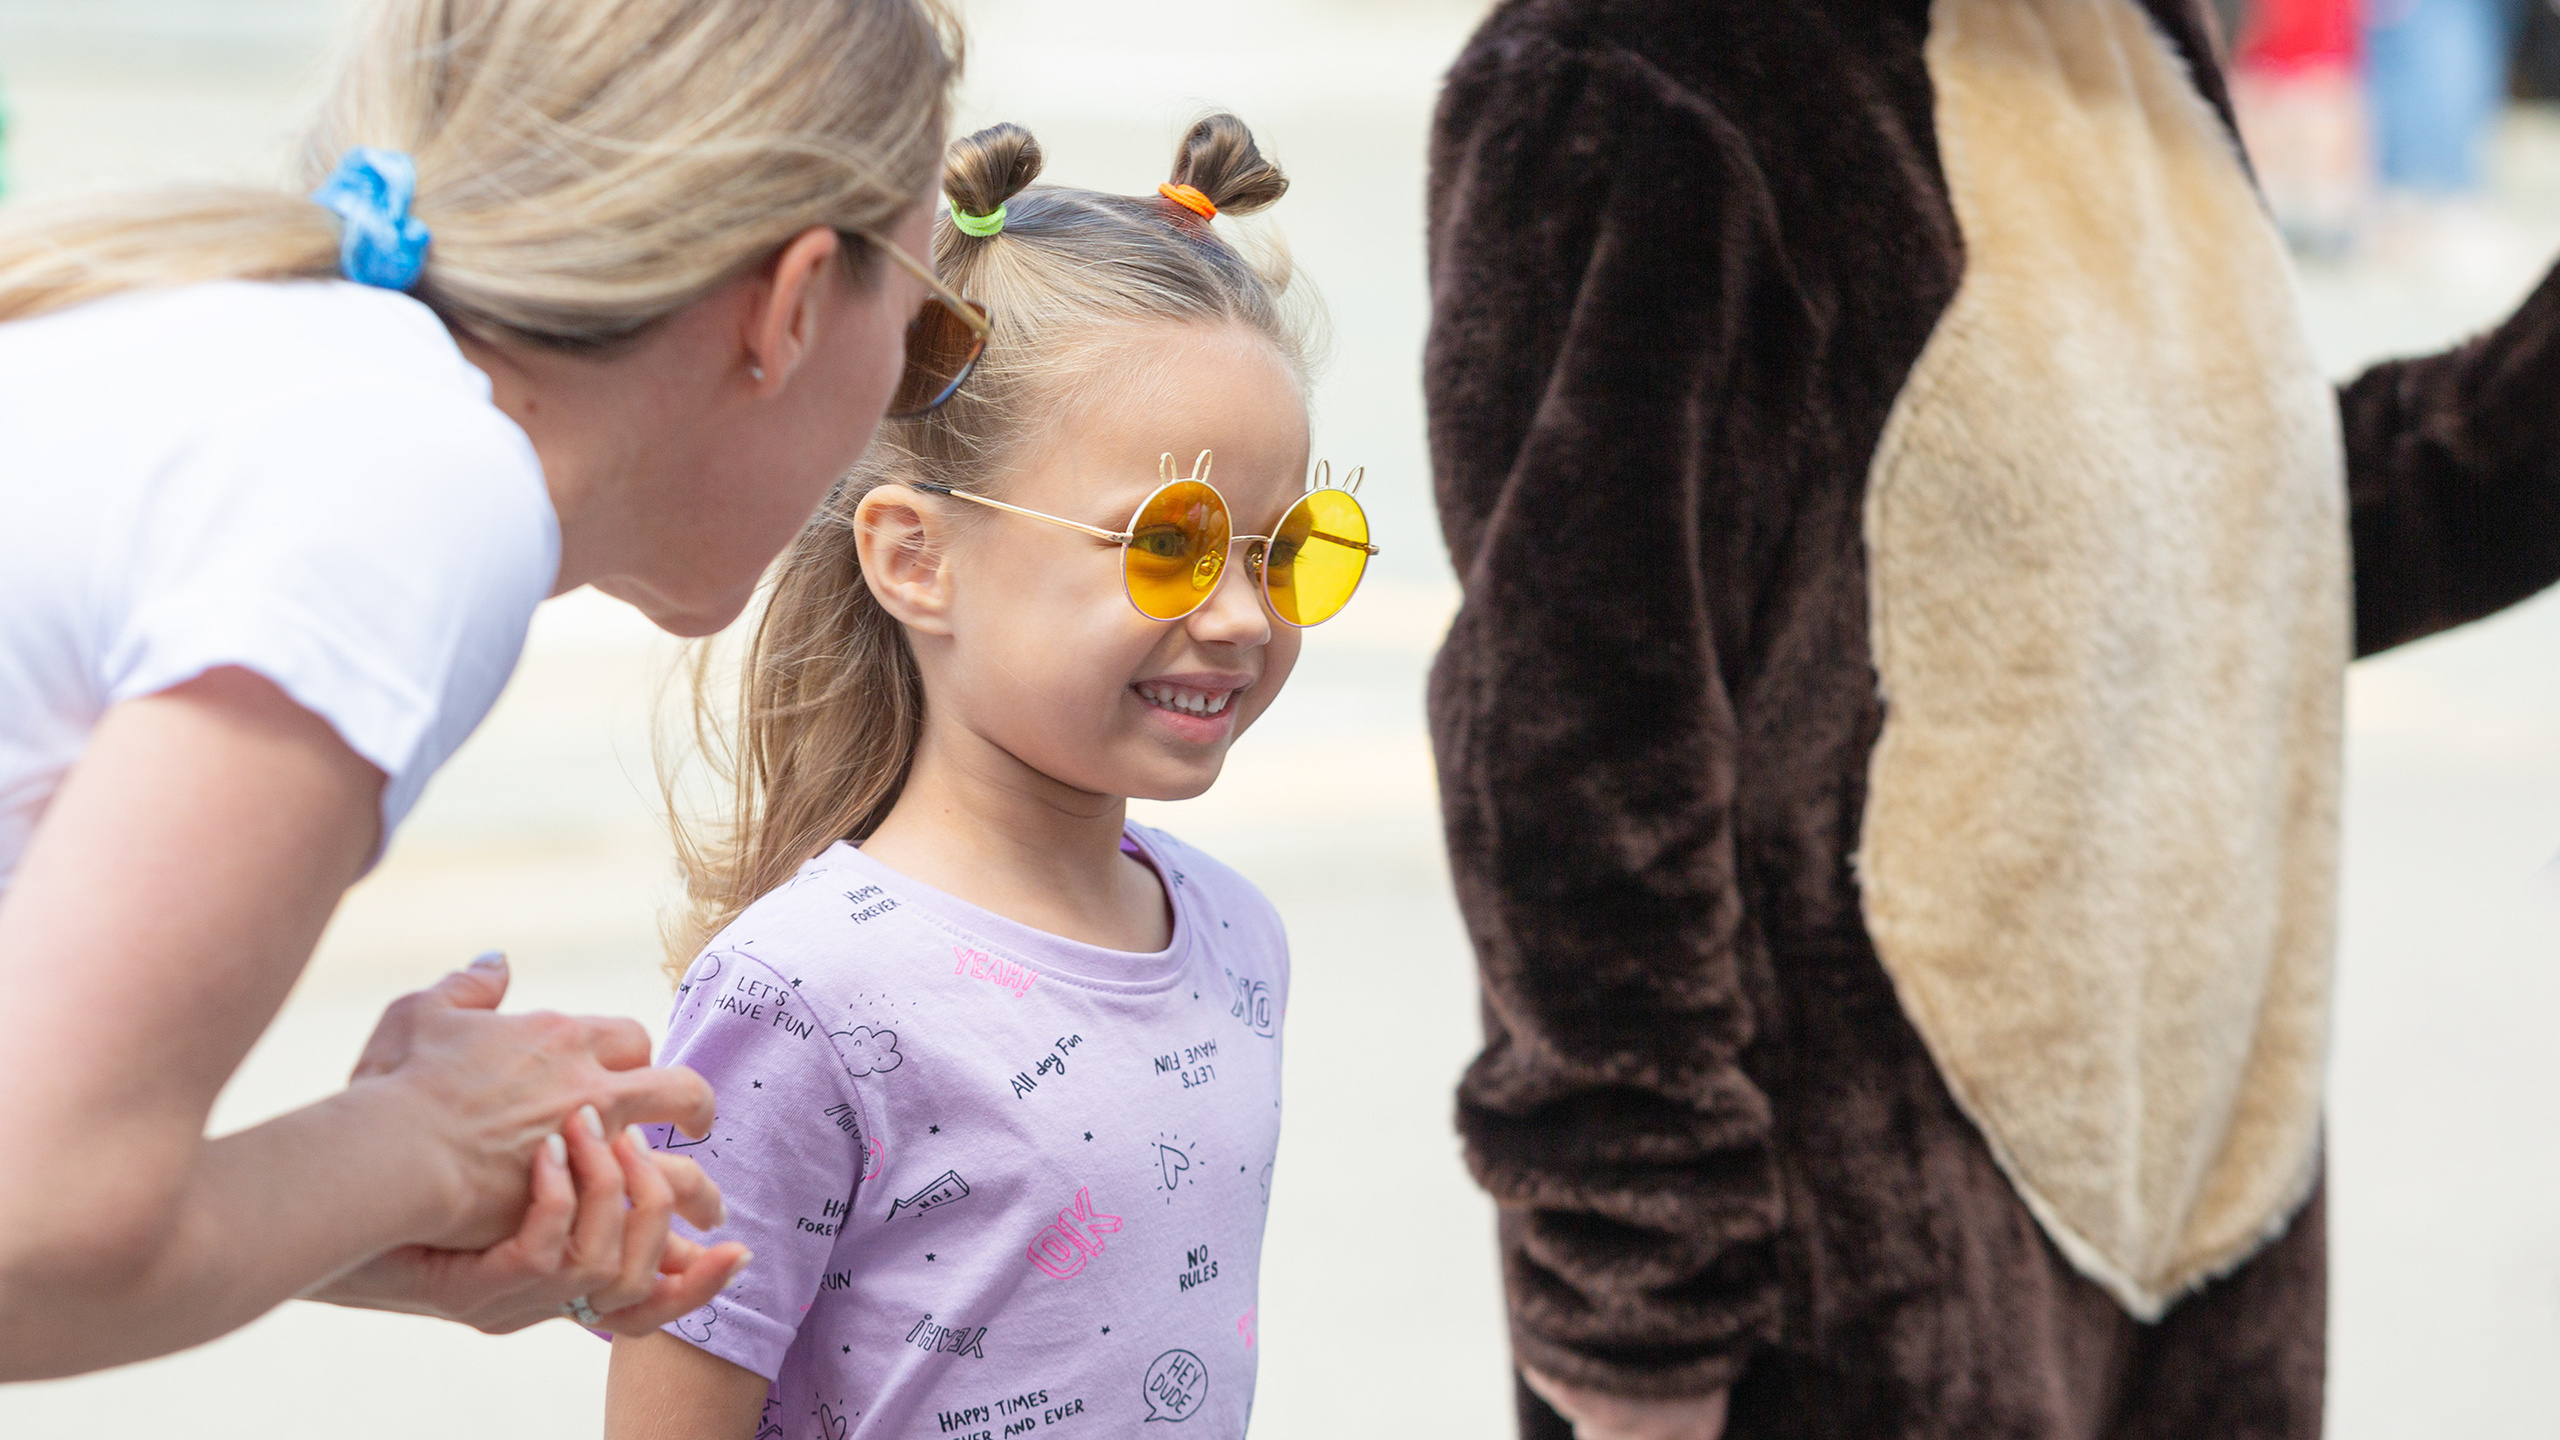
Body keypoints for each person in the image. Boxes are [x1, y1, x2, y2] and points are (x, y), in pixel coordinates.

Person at [1425, 0, 2560, 1436]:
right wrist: (1640, 1317)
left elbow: (2233, 539)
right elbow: (1569, 744)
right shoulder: (1642, 67)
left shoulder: (2125, 39)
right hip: (1861, 1283)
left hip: (2206, 1233)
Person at [0, 0, 973, 1380]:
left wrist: (379, 1198)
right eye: (930, 330)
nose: (895, 409)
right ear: (794, 303)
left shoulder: (286, 369)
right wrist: (421, 1145)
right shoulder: (418, 484)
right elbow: (36, 1244)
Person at [602, 117, 1373, 1439]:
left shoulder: (1239, 940)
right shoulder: (805, 995)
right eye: (1170, 545)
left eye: (1289, 548)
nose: (1244, 618)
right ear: (916, 558)